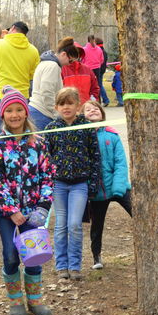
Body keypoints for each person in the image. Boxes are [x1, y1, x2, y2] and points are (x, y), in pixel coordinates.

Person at [0, 86, 55, 315]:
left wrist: (43, 207)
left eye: (19, 110)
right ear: (2, 114)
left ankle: (35, 301)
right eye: (9, 111)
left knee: (33, 255)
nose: (14, 115)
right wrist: (12, 210)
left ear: (26, 113)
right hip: (7, 212)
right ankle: (15, 301)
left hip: (34, 210)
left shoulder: (39, 143)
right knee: (9, 254)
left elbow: (47, 176)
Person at [45, 87, 100, 281]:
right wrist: (48, 184)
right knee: (61, 225)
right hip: (59, 185)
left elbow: (95, 156)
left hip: (80, 184)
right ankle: (62, 266)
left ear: (78, 105)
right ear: (56, 107)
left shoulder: (85, 126)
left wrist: (92, 184)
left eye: (70, 103)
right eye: (62, 104)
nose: (66, 107)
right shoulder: (51, 128)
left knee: (75, 224)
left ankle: (75, 266)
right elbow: (46, 158)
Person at [82, 100, 131, 270]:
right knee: (97, 225)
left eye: (96, 108)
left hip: (117, 186)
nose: (93, 110)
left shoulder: (112, 134)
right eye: (88, 109)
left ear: (102, 113)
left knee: (138, 213)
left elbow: (121, 163)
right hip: (97, 192)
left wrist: (118, 188)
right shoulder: (82, 136)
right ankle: (96, 256)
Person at [0, 21, 40, 136]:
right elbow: (33, 75)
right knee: (21, 128)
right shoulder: (33, 50)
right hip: (22, 96)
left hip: (1, 94)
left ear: (13, 28)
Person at [28, 36, 79, 130]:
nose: (70, 64)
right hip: (42, 114)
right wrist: (57, 113)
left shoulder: (47, 63)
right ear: (64, 54)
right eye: (70, 60)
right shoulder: (53, 66)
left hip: (38, 112)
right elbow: (47, 92)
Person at [82, 35, 104, 101]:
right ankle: (98, 99)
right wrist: (98, 64)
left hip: (88, 68)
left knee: (88, 85)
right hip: (97, 68)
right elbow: (101, 59)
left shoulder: (84, 49)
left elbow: (82, 59)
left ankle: (89, 99)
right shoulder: (99, 49)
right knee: (98, 85)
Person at [96, 37, 110, 107]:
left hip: (99, 70)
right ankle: (104, 100)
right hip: (102, 70)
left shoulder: (99, 51)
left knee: (99, 85)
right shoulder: (103, 51)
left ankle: (105, 99)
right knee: (99, 85)